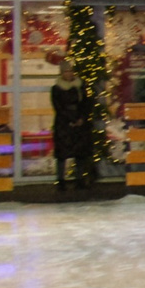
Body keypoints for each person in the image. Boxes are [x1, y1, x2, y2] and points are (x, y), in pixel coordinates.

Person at [50, 61, 97, 191]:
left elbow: (87, 103)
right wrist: (70, 119)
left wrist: (81, 118)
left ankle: (79, 178)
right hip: (63, 124)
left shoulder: (80, 86)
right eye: (66, 71)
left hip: (80, 122)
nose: (69, 74)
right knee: (62, 153)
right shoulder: (57, 88)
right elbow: (58, 106)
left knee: (80, 152)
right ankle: (60, 180)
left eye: (70, 71)